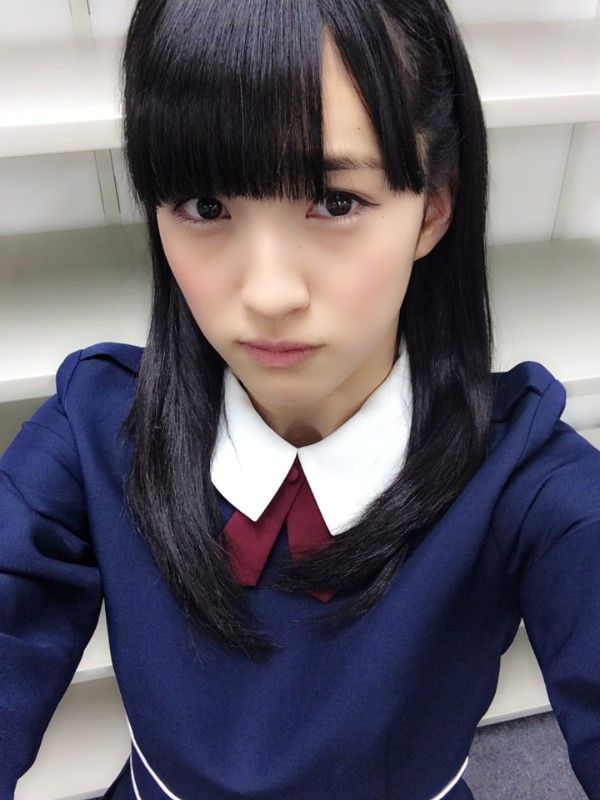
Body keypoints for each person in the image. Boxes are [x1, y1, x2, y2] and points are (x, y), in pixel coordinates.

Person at [2, 1, 599, 798]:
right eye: (205, 206)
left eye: (335, 201)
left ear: (433, 207)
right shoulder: (96, 428)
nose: (269, 293)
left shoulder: (524, 480)